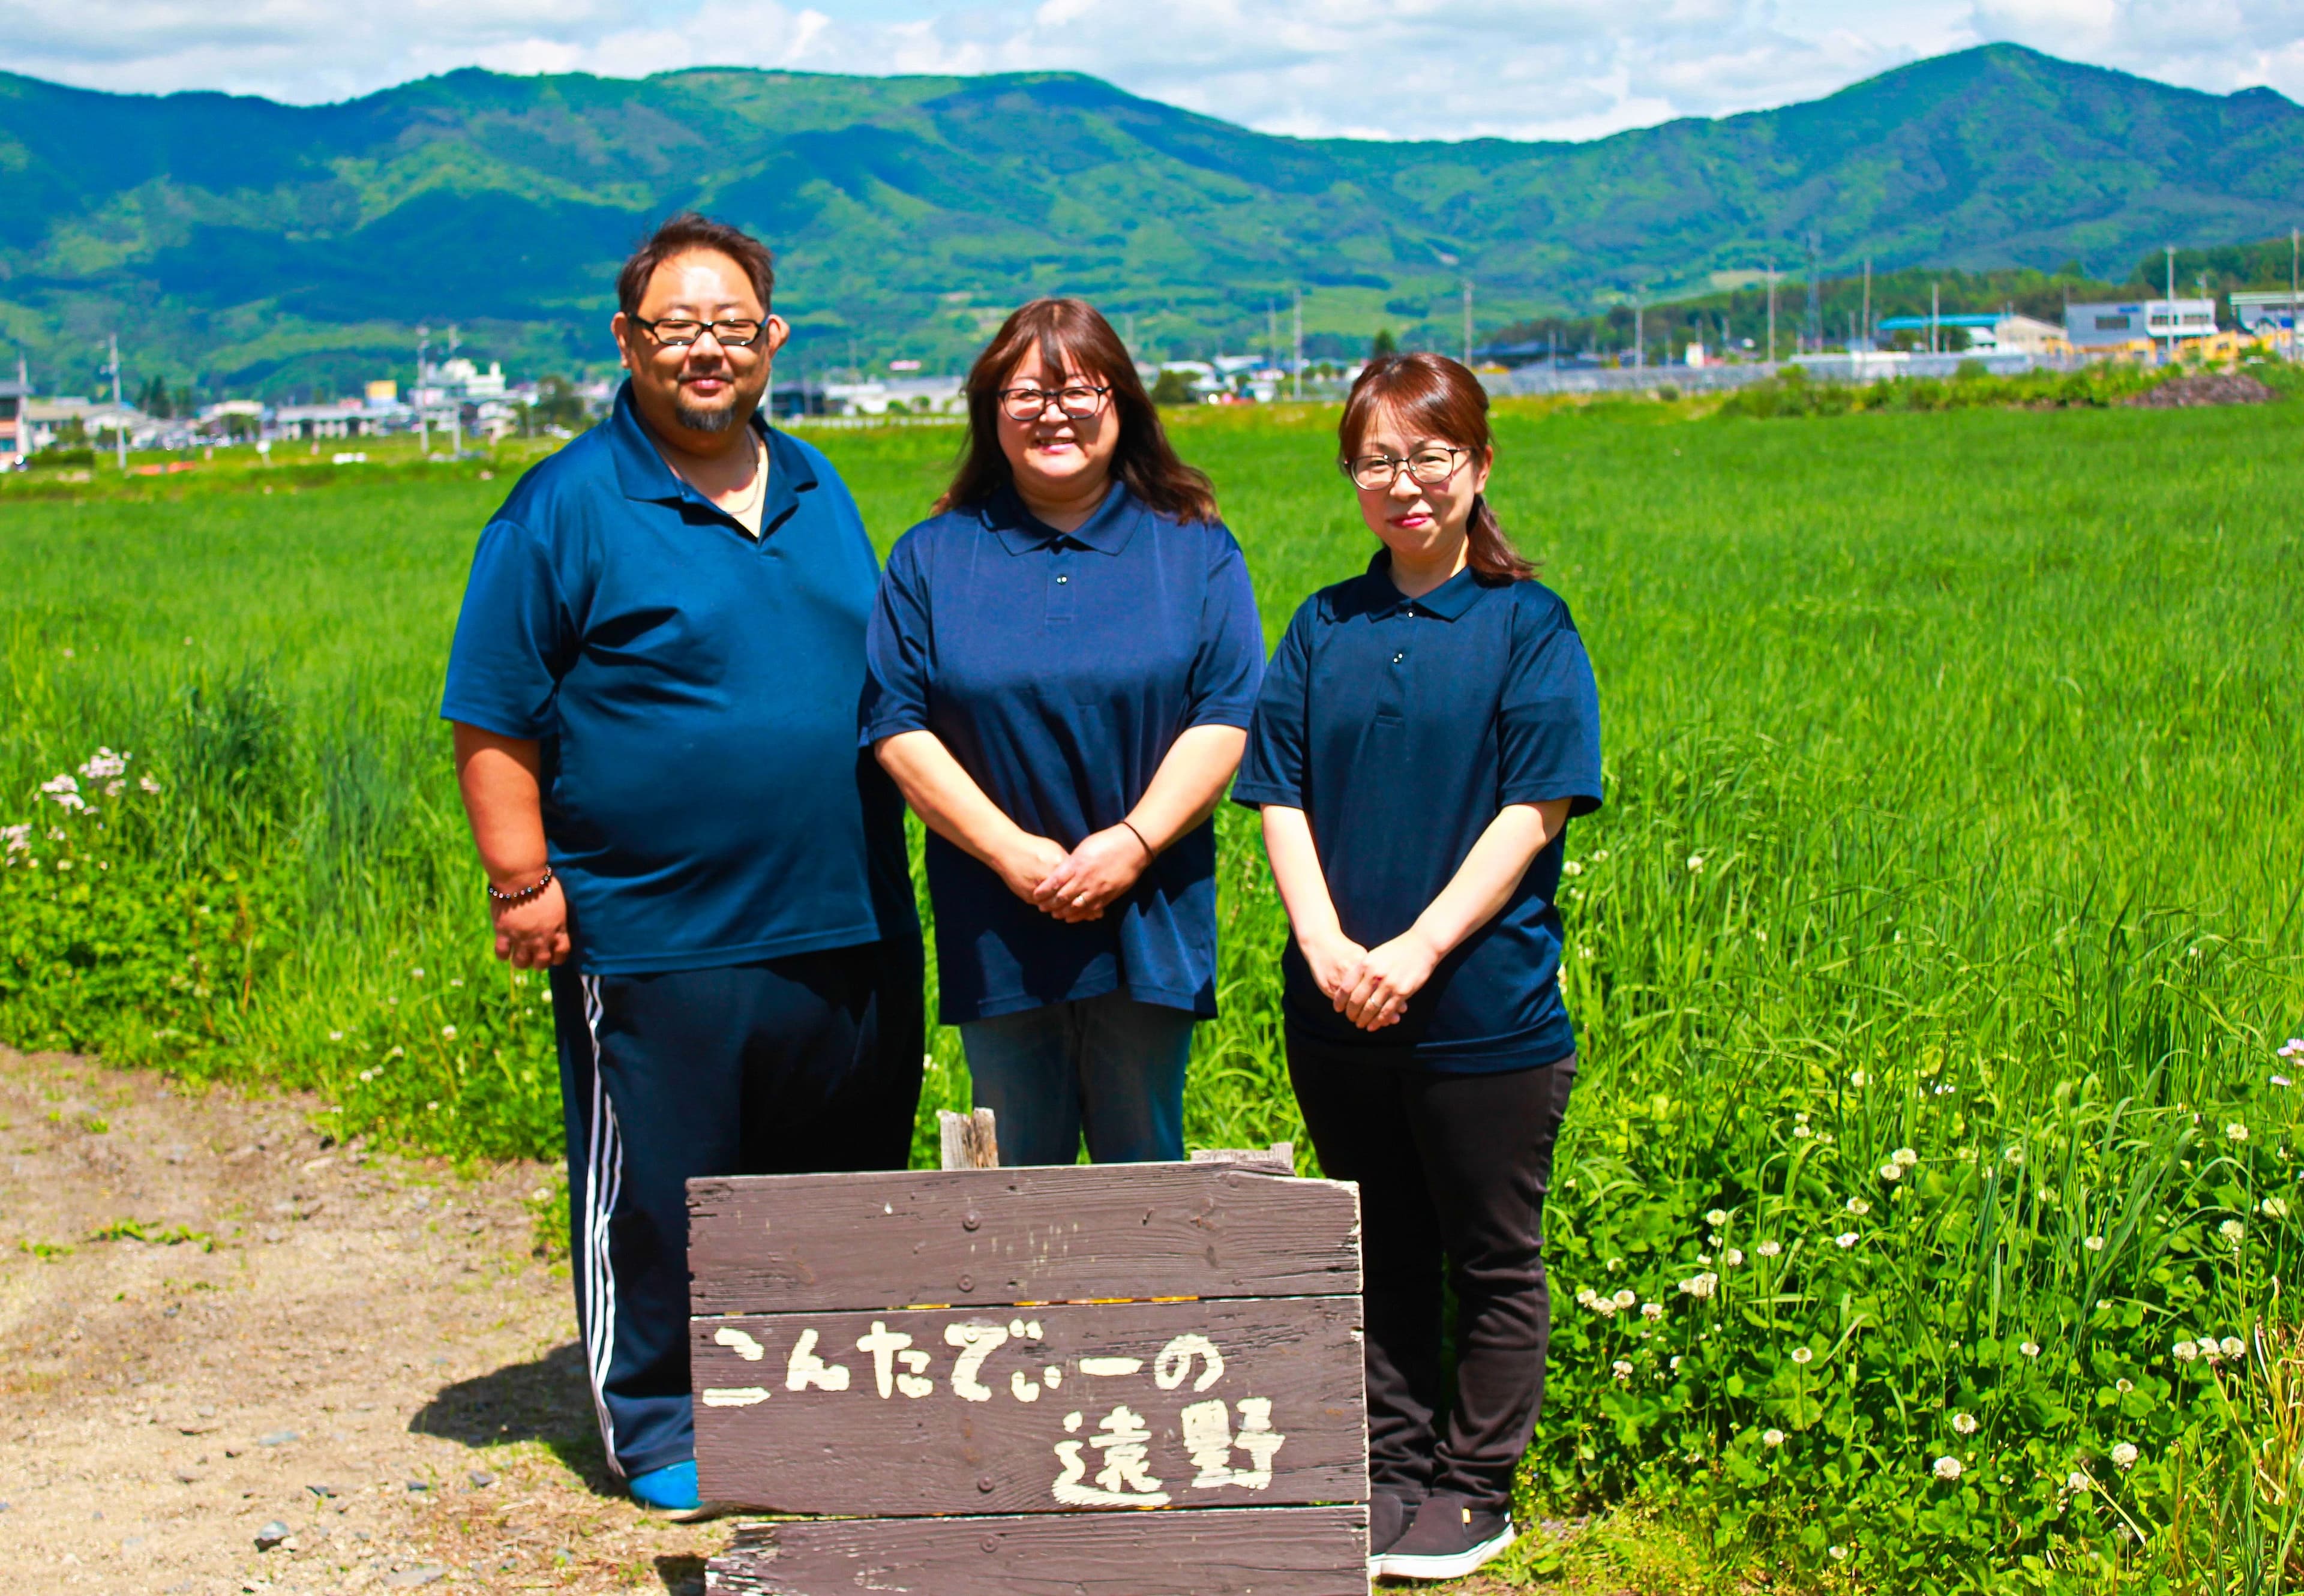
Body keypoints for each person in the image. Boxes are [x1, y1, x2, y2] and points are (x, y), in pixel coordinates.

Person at [440, 213, 923, 1513]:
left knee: (837, 1171)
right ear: (628, 341)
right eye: (677, 328)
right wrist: (522, 879)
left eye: (731, 328)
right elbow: (493, 711)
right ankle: (655, 1418)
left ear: (770, 340)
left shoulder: (822, 488)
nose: (706, 351)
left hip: (845, 911)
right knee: (660, 1189)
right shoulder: (566, 506)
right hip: (657, 929)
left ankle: (821, 1396)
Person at [1231, 353, 1602, 1580]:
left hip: (1483, 1007)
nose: (1403, 484)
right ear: (1354, 477)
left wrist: (1417, 947)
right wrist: (1328, 945)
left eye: (1427, 457)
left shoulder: (1526, 626)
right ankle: (1391, 1464)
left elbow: (1534, 808)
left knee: (1490, 1250)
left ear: (1477, 465)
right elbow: (1277, 791)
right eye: (1377, 460)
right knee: (1377, 1238)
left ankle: (1474, 1484)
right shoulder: (1324, 623)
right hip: (1337, 1005)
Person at [863, 299, 1263, 1166]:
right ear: (990, 412)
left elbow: (1226, 713)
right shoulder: (934, 556)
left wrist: (1132, 842)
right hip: (996, 922)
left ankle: (1148, 1312)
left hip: (1148, 912)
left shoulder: (1192, 547)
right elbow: (898, 727)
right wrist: (1008, 851)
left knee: (1143, 1175)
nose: (1053, 413)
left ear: (1122, 403)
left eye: (1078, 390)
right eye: (1025, 394)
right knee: (1012, 1182)